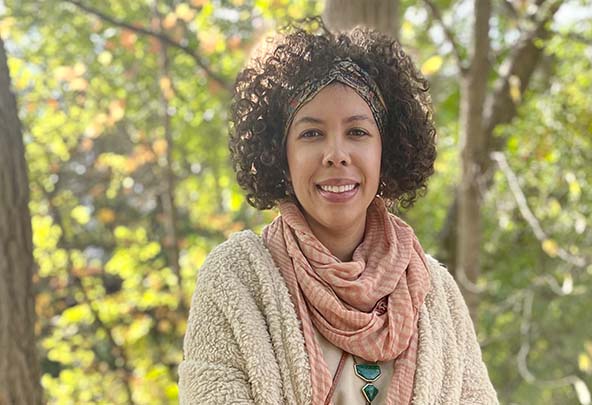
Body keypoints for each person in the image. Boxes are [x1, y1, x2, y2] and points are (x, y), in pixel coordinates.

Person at [178, 19, 498, 405]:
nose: (336, 154)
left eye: (357, 132)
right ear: (283, 156)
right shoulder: (235, 279)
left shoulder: (436, 291)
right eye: (311, 133)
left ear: (386, 150)